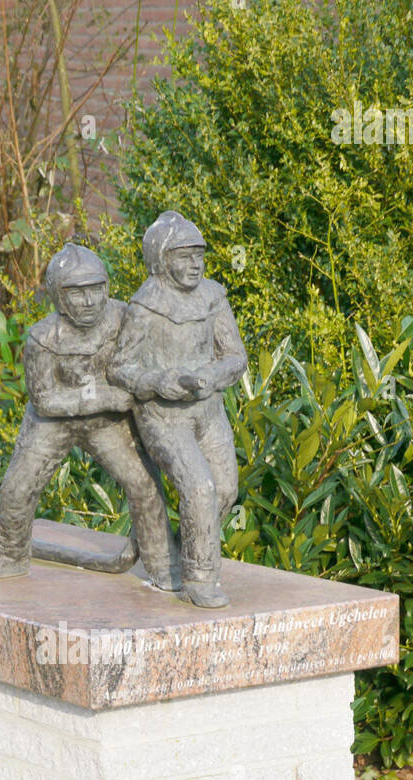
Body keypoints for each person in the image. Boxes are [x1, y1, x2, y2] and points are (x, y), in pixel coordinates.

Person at [0, 244, 179, 591]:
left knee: (143, 484)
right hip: (52, 423)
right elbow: (45, 399)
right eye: (77, 293)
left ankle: (162, 564)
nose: (89, 301)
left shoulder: (124, 317)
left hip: (106, 425)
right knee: (18, 486)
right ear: (58, 298)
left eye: (96, 290)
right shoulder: (43, 336)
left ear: (107, 288)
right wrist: (103, 396)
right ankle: (9, 555)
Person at [108, 211, 247, 608]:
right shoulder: (146, 305)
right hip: (163, 417)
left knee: (224, 490)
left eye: (199, 255)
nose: (196, 264)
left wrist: (213, 375)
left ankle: (171, 551)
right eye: (184, 256)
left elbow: (236, 356)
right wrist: (157, 382)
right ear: (162, 259)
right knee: (199, 488)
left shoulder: (213, 297)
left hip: (208, 412)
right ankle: (200, 578)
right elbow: (119, 367)